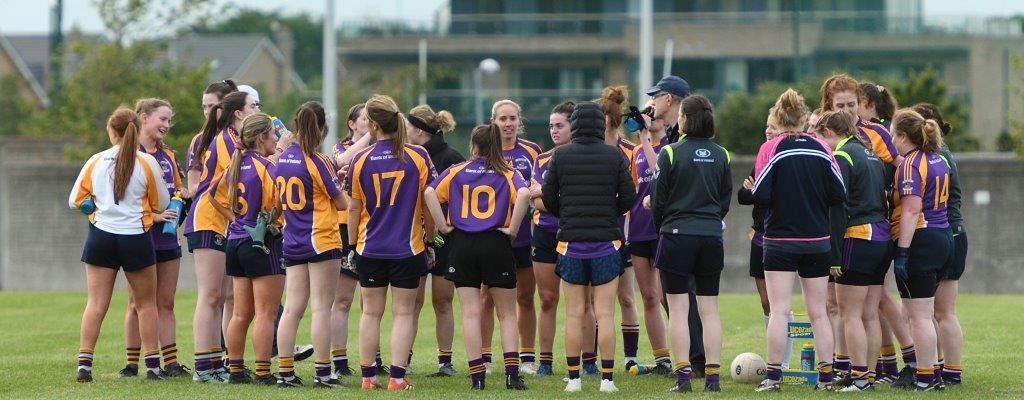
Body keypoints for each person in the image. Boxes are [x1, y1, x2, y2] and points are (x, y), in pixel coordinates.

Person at [425, 123, 532, 390]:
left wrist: (443, 227)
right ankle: (511, 375)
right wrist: (513, 229)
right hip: (495, 242)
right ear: (497, 145)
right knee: (507, 313)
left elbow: (428, 192)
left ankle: (477, 377)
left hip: (462, 244)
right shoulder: (508, 171)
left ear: (474, 145)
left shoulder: (457, 171)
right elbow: (525, 193)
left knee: (470, 313)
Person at [752, 89, 845, 392]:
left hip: (779, 239)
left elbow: (760, 195)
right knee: (819, 311)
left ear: (778, 120)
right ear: (805, 119)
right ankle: (827, 378)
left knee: (779, 309)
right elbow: (838, 193)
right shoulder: (821, 148)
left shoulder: (771, 148)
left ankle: (773, 376)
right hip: (817, 240)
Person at [541, 101, 636, 393]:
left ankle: (574, 379)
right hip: (607, 243)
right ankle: (607, 380)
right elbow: (629, 198)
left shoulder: (560, 157)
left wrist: (566, 213)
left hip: (570, 244)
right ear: (600, 125)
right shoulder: (614, 156)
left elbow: (549, 198)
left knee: (574, 313)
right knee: (605, 313)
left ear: (576, 124)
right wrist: (610, 212)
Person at [70, 106, 170, 382]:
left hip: (101, 236)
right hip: (135, 238)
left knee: (96, 303)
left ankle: (84, 365)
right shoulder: (147, 162)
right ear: (136, 130)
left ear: (111, 131)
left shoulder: (96, 160)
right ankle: (152, 366)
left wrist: (94, 207)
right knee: (146, 303)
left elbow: (75, 200)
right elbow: (161, 203)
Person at [347, 94, 435, 391]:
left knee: (370, 313)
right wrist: (430, 239)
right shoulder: (418, 156)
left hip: (369, 247)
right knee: (403, 313)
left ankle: (368, 379)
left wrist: (350, 246)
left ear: (371, 125)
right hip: (408, 248)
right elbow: (428, 202)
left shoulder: (360, 158)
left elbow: (353, 208)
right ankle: (397, 378)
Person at [647, 94, 731, 392]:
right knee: (710, 309)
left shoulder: (669, 153)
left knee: (679, 309)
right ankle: (713, 379)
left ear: (684, 118)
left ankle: (683, 379)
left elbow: (658, 200)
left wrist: (664, 228)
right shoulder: (722, 154)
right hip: (710, 237)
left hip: (677, 236)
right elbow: (724, 201)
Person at [813, 110, 891, 391]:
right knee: (869, 314)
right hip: (881, 237)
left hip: (858, 236)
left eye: (821, 135)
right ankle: (867, 375)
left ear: (831, 133)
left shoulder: (844, 156)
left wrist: (833, 255)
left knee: (850, 313)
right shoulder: (871, 155)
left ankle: (859, 377)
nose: (821, 141)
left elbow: (838, 207)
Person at [185, 90, 260, 383]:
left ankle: (219, 363)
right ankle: (204, 368)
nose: (257, 109)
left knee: (223, 296)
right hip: (207, 220)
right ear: (239, 113)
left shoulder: (235, 138)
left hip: (221, 223)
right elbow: (232, 183)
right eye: (253, 106)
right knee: (210, 296)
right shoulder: (229, 140)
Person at [274, 101, 348, 388]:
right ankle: (322, 372)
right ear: (320, 128)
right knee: (321, 307)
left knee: (292, 308)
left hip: (293, 238)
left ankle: (285, 373)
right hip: (321, 238)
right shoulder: (317, 160)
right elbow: (340, 201)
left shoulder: (284, 158)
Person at [115, 98, 188, 379]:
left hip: (168, 238)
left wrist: (180, 199)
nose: (167, 126)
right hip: (138, 236)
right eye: (162, 119)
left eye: (170, 120)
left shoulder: (168, 155)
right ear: (143, 118)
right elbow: (119, 198)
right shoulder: (126, 154)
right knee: (136, 303)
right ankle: (132, 364)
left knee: (165, 302)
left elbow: (178, 188)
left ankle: (170, 363)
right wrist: (152, 215)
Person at [209, 113, 284, 385]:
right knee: (266, 312)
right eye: (273, 134)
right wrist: (273, 219)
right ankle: (264, 373)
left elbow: (212, 195)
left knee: (241, 313)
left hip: (236, 240)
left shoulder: (235, 164)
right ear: (262, 136)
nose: (275, 138)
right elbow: (280, 203)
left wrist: (235, 220)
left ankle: (236, 370)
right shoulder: (267, 167)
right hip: (261, 242)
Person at [528, 101, 597, 377]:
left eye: (560, 125)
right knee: (547, 299)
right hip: (545, 233)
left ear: (573, 126)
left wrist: (548, 196)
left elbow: (551, 198)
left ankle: (589, 361)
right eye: (551, 126)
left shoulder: (585, 159)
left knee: (585, 302)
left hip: (576, 232)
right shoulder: (542, 159)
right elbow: (536, 200)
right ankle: (545, 362)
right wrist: (549, 198)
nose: (554, 131)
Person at [890, 108, 953, 391]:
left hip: (923, 239)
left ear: (903, 135)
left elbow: (912, 209)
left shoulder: (910, 163)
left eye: (892, 132)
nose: (890, 137)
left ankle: (926, 377)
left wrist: (902, 251)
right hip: (943, 236)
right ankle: (936, 371)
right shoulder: (939, 158)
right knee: (925, 312)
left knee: (919, 316)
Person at [646, 75, 705, 373]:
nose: (651, 103)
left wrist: (657, 201)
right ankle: (698, 359)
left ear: (669, 100)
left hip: (680, 229)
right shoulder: (672, 136)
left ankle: (695, 361)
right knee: (684, 299)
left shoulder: (682, 140)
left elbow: (672, 182)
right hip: (696, 228)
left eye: (655, 97)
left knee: (682, 298)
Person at [481, 99, 542, 374]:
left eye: (512, 118)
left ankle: (527, 357)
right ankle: (485, 357)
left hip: (523, 237)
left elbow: (539, 187)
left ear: (520, 121)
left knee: (526, 297)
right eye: (502, 119)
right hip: (491, 236)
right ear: (493, 122)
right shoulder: (483, 150)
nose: (507, 124)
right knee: (486, 297)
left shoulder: (532, 151)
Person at [616, 91, 671, 376]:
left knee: (667, 296)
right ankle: (663, 359)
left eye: (652, 110)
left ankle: (687, 356)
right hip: (639, 231)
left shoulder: (671, 145)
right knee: (649, 296)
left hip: (664, 229)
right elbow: (633, 193)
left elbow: (659, 172)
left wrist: (647, 139)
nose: (647, 114)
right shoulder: (635, 151)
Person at [406, 104, 463, 377]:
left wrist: (444, 229)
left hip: (444, 240)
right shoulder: (404, 156)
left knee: (443, 300)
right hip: (413, 239)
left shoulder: (451, 157)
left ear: (418, 130)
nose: (404, 132)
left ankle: (445, 361)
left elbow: (461, 198)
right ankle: (403, 358)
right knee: (411, 303)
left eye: (407, 127)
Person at [737, 114, 796, 369]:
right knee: (765, 302)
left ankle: (782, 362)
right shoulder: (761, 158)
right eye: (767, 126)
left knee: (780, 303)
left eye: (773, 126)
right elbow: (742, 195)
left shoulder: (786, 160)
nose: (768, 130)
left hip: (783, 237)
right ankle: (775, 355)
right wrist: (756, 192)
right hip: (759, 237)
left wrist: (757, 191)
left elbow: (766, 195)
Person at [594, 86, 646, 375]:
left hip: (624, 232)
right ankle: (591, 357)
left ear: (610, 120)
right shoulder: (589, 152)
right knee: (593, 299)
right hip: (596, 232)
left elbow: (635, 194)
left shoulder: (631, 152)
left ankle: (629, 357)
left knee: (626, 296)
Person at [912, 103, 965, 386]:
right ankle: (947, 368)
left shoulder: (934, 156)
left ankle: (946, 371)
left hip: (945, 233)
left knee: (940, 312)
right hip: (953, 233)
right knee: (939, 312)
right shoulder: (941, 154)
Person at [328, 103, 369, 377]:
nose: (370, 123)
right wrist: (371, 135)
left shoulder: (385, 149)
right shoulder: (341, 147)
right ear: (352, 124)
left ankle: (372, 358)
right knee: (343, 299)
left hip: (374, 226)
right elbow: (343, 162)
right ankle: (340, 361)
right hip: (345, 226)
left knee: (372, 300)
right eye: (366, 119)